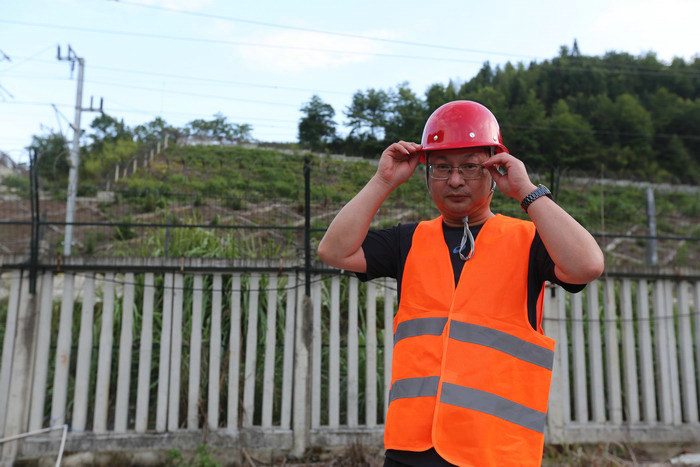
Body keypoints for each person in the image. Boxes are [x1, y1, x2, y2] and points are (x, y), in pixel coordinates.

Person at [317, 100, 604, 466]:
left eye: (470, 166)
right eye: (442, 168)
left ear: (495, 170)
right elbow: (334, 251)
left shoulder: (529, 240)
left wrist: (527, 191)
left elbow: (587, 266)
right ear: (427, 174)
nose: (455, 180)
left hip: (495, 451)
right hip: (411, 449)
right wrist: (383, 181)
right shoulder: (408, 240)